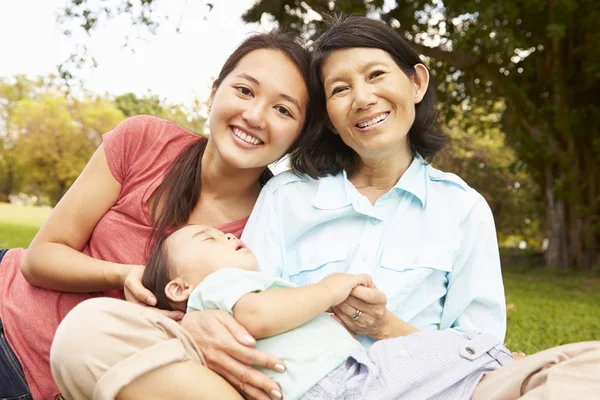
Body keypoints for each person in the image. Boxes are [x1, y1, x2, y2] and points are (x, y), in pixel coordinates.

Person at [0, 31, 310, 400]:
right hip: (8, 310)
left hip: (61, 384)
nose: (255, 115)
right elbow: (40, 258)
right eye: (245, 90)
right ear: (213, 94)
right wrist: (126, 274)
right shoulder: (144, 139)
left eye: (283, 110)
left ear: (298, 137)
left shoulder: (269, 226)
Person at [241, 15, 506, 347]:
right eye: (340, 89)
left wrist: (385, 327)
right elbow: (242, 306)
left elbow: (482, 349)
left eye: (376, 74)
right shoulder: (285, 197)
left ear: (416, 83)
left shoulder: (464, 209)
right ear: (330, 120)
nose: (362, 99)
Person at [142, 223, 513, 400]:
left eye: (224, 234)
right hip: (339, 384)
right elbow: (261, 317)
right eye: (209, 238)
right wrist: (329, 289)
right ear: (180, 288)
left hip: (335, 382)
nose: (227, 236)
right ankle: (493, 359)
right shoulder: (219, 286)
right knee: (455, 348)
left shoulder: (243, 292)